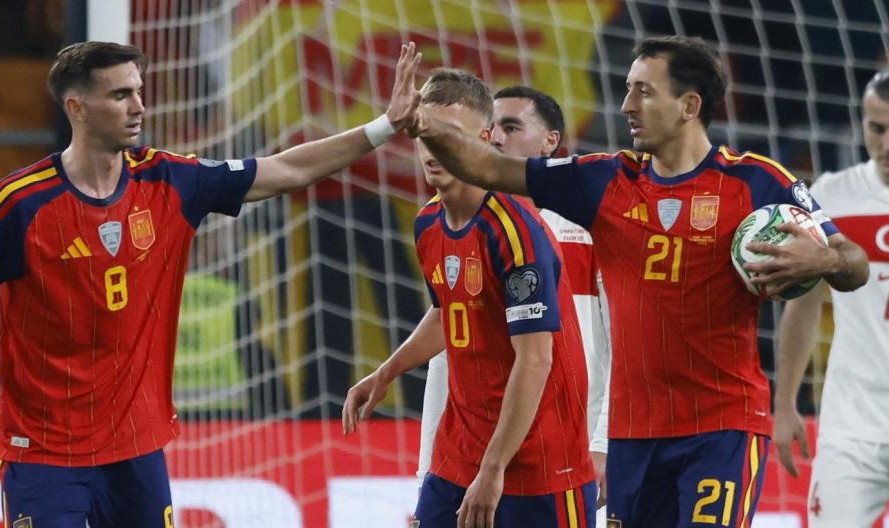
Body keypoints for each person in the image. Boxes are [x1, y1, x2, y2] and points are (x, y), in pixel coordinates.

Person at [0, 40, 421, 527]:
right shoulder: (21, 202)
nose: (139, 106)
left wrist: (381, 127)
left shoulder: (171, 180)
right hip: (43, 453)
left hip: (136, 448)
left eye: (138, 90)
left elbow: (286, 169)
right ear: (77, 108)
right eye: (120, 94)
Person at [411, 35, 869, 527]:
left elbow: (853, 261)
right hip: (633, 438)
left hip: (722, 429)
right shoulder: (603, 180)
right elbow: (485, 165)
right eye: (628, 89)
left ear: (689, 105)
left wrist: (820, 261)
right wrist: (413, 122)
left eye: (644, 92)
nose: (626, 105)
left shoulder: (757, 182)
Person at [343, 69, 596, 528]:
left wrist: (493, 469)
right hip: (458, 457)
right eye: (425, 133)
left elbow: (536, 360)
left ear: (483, 139)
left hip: (538, 466)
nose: (433, 147)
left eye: (449, 135)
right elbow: (446, 314)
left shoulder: (516, 230)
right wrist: (388, 371)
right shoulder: (427, 225)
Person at [416, 86, 611, 511]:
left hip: (564, 458)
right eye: (493, 127)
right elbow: (448, 357)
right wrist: (425, 471)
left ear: (551, 141)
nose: (499, 137)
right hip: (473, 462)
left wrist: (603, 444)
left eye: (511, 126)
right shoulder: (457, 225)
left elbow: (626, 347)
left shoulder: (590, 229)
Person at [773, 68, 889, 527]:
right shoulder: (832, 198)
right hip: (849, 431)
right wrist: (784, 405)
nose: (885, 143)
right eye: (876, 128)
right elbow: (802, 306)